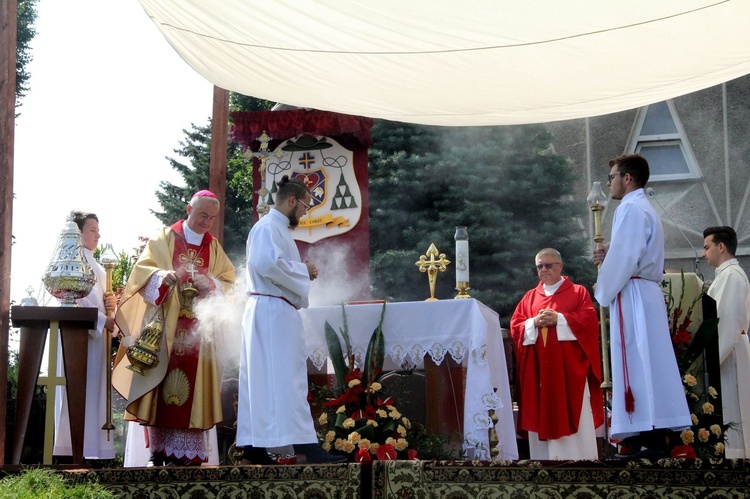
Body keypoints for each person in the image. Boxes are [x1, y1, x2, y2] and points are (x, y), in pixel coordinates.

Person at [112, 190, 235, 466]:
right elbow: (141, 271)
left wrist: (212, 284)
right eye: (203, 214)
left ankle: (188, 455)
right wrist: (160, 276)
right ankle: (159, 452)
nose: (207, 222)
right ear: (189, 209)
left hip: (199, 336)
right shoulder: (164, 239)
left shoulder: (214, 248)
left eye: (212, 218)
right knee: (159, 386)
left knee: (195, 389)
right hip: (165, 330)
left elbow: (230, 282)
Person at [237, 176, 346, 464]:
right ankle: (305, 446)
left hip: (273, 310)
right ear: (292, 201)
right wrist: (303, 268)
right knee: (287, 380)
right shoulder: (267, 227)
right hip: (271, 311)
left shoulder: (279, 229)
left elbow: (273, 265)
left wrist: (300, 271)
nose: (306, 212)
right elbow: (266, 263)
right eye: (306, 206)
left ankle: (255, 448)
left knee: (269, 380)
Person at [593, 154, 691, 458]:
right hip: (642, 291)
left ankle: (646, 431)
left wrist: (602, 287)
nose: (609, 184)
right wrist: (611, 255)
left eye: (612, 177)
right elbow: (630, 249)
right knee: (648, 359)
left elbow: (626, 257)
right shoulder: (642, 207)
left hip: (634, 291)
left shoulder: (631, 207)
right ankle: (649, 430)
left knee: (637, 358)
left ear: (628, 178)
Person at [510, 248, 604, 460]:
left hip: (569, 374)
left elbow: (589, 323)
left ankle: (581, 463)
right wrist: (534, 321)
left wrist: (559, 319)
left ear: (560, 266)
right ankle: (542, 464)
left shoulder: (578, 292)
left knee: (574, 417)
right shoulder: (529, 297)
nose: (543, 269)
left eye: (548, 265)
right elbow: (515, 327)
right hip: (539, 375)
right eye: (539, 266)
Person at [53, 211, 116, 465]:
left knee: (95, 396)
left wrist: (111, 304)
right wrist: (103, 320)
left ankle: (92, 454)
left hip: (96, 342)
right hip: (75, 340)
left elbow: (100, 305)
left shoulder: (99, 267)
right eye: (92, 229)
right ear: (78, 232)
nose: (98, 235)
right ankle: (68, 454)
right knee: (73, 394)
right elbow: (67, 302)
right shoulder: (67, 262)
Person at [702, 226, 750, 458]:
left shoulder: (732, 276)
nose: (703, 254)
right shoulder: (725, 276)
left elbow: (728, 325)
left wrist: (707, 364)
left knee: (733, 408)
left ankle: (736, 464)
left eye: (706, 247)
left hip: (728, 355)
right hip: (726, 352)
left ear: (721, 247)